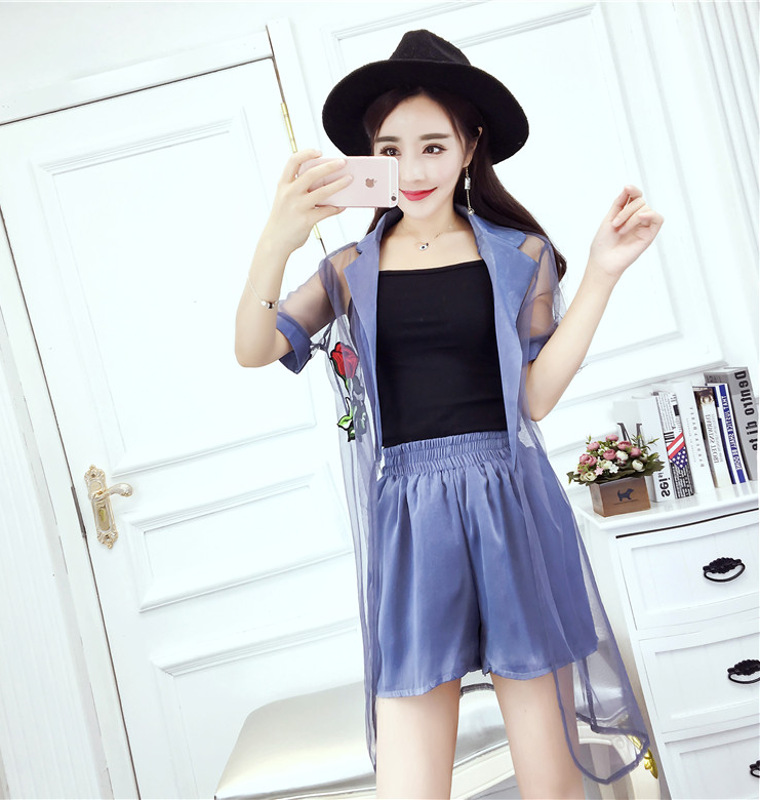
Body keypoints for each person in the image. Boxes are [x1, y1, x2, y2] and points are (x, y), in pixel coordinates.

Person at [235, 29, 662, 800]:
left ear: (471, 147)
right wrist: (278, 237)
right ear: (370, 161)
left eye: (433, 146)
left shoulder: (519, 255)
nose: (413, 170)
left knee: (550, 785)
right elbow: (254, 347)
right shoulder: (349, 269)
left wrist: (601, 273)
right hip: (411, 521)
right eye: (390, 151)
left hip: (510, 508)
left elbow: (534, 397)